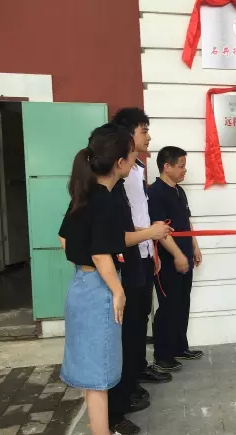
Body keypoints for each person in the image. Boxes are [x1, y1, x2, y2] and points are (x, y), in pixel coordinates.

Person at [57, 124, 136, 435]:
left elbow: (64, 239)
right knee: (100, 374)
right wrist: (117, 291)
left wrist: (85, 263)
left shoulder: (85, 194)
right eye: (132, 154)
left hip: (80, 285)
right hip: (99, 290)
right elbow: (102, 254)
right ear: (120, 162)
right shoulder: (106, 199)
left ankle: (97, 428)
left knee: (90, 372)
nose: (135, 159)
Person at [107, 108, 172, 435]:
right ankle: (125, 388)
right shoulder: (116, 177)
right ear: (127, 135)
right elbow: (122, 227)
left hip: (143, 252)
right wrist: (148, 237)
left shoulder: (137, 169)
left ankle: (134, 374)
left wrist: (151, 250)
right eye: (144, 130)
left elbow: (140, 216)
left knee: (140, 318)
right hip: (129, 256)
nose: (148, 136)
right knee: (130, 326)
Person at [148, 146, 203, 371]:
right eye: (181, 166)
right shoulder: (155, 193)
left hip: (185, 256)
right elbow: (159, 229)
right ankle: (163, 355)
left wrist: (194, 247)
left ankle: (180, 347)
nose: (184, 170)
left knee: (182, 302)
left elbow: (186, 222)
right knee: (168, 305)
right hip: (167, 260)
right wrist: (178, 255)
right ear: (166, 166)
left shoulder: (179, 191)